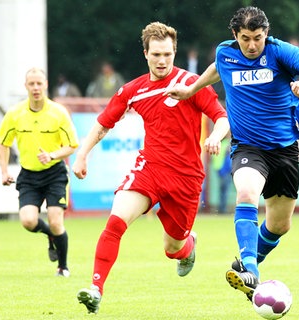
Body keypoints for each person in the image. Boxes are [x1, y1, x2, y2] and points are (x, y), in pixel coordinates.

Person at [165, 6, 299, 301]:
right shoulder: (226, 53)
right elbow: (218, 67)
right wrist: (191, 90)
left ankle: (247, 262)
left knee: (280, 225)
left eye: (257, 38)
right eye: (245, 39)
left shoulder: (280, 52)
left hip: (284, 149)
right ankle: (251, 271)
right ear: (234, 35)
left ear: (266, 33)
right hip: (247, 146)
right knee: (246, 194)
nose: (252, 45)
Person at [73, 22, 229, 314]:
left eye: (167, 54)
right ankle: (96, 289)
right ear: (145, 54)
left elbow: (222, 117)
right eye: (156, 54)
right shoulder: (133, 90)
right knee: (116, 220)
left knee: (173, 248)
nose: (162, 60)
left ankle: (187, 247)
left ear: (174, 52)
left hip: (186, 179)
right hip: (150, 169)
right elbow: (104, 123)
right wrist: (82, 155)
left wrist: (215, 137)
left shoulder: (191, 83)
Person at [0, 67, 79, 278]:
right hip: (29, 175)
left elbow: (72, 145)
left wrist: (52, 155)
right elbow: (3, 143)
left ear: (46, 85)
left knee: (55, 220)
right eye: (31, 84)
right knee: (28, 221)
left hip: (55, 173)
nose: (35, 88)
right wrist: (4, 171)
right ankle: (51, 236)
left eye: (39, 83)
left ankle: (63, 266)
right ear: (26, 86)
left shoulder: (58, 112)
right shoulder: (15, 114)